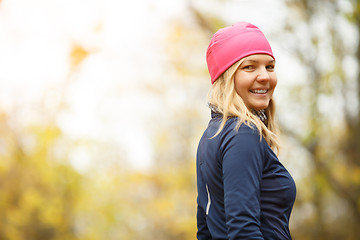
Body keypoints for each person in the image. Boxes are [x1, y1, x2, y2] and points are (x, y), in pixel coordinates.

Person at [196, 22, 296, 240]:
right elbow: (244, 230)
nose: (265, 76)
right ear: (226, 77)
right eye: (249, 67)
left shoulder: (210, 136)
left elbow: (204, 230)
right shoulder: (243, 133)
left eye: (269, 66)